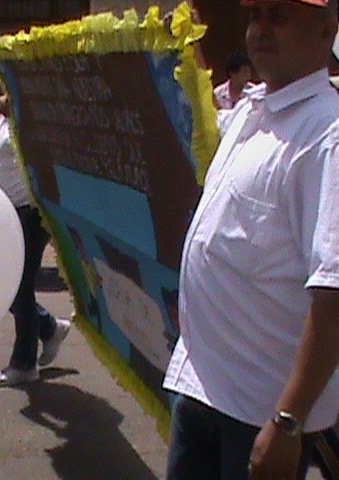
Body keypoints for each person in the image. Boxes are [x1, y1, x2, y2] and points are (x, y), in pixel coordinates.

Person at [162, 1, 339, 480]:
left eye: (278, 17)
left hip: (262, 411)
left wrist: (288, 420)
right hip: (203, 389)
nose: (260, 29)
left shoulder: (328, 135)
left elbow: (334, 291)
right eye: (256, 15)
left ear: (327, 32)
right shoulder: (250, 112)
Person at [0, 94, 71, 387]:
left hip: (31, 213)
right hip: (2, 212)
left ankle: (24, 365)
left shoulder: (39, 114)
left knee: (18, 287)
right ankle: (49, 328)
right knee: (2, 285)